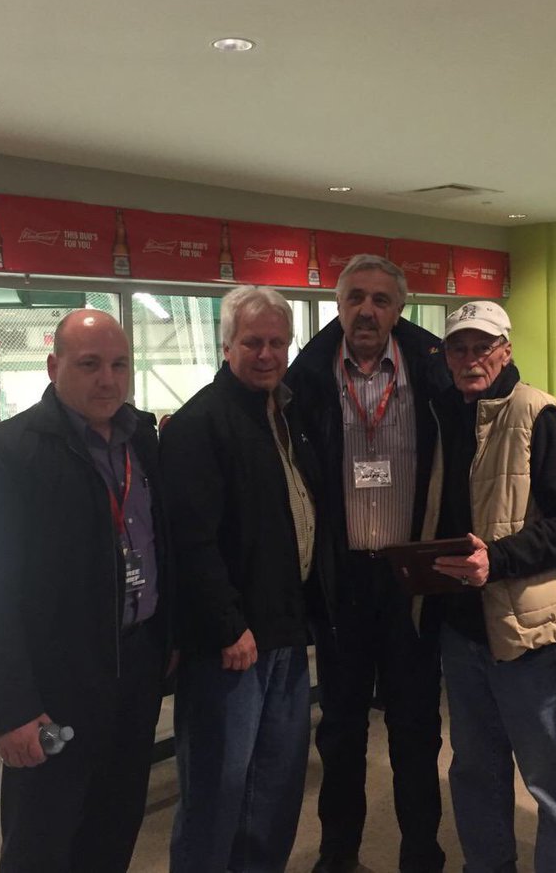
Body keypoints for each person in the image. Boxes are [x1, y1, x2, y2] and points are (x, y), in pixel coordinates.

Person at [0, 309, 173, 872]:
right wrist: (11, 711)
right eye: (89, 364)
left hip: (135, 674)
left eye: (120, 365)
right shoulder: (5, 453)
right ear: (54, 367)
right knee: (42, 843)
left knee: (114, 830)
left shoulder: (141, 440)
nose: (108, 380)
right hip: (55, 692)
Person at [286, 254, 450, 873]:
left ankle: (421, 856)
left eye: (381, 300)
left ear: (399, 310)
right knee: (341, 731)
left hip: (411, 579)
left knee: (416, 730)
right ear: (338, 304)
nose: (366, 311)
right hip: (343, 578)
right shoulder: (305, 381)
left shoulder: (433, 375)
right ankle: (338, 856)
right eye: (355, 297)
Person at [429, 301, 556, 873]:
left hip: (533, 635)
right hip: (463, 632)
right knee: (475, 772)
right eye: (458, 348)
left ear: (506, 350)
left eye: (483, 347)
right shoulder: (444, 414)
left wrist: (497, 560)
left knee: (550, 781)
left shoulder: (537, 413)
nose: (470, 359)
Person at [162, 285, 320, 873]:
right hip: (231, 647)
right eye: (253, 342)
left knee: (275, 790)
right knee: (217, 793)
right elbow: (190, 542)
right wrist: (228, 627)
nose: (267, 354)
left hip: (284, 633)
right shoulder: (199, 425)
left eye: (278, 342)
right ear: (226, 345)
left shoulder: (286, 414)